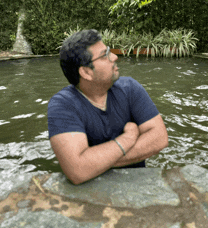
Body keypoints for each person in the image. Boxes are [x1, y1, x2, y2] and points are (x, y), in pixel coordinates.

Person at [48, 29, 168, 185]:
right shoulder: (62, 105)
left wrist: (95, 163)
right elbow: (77, 171)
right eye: (105, 55)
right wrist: (126, 139)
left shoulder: (130, 88)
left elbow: (159, 138)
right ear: (86, 72)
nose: (114, 57)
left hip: (137, 185)